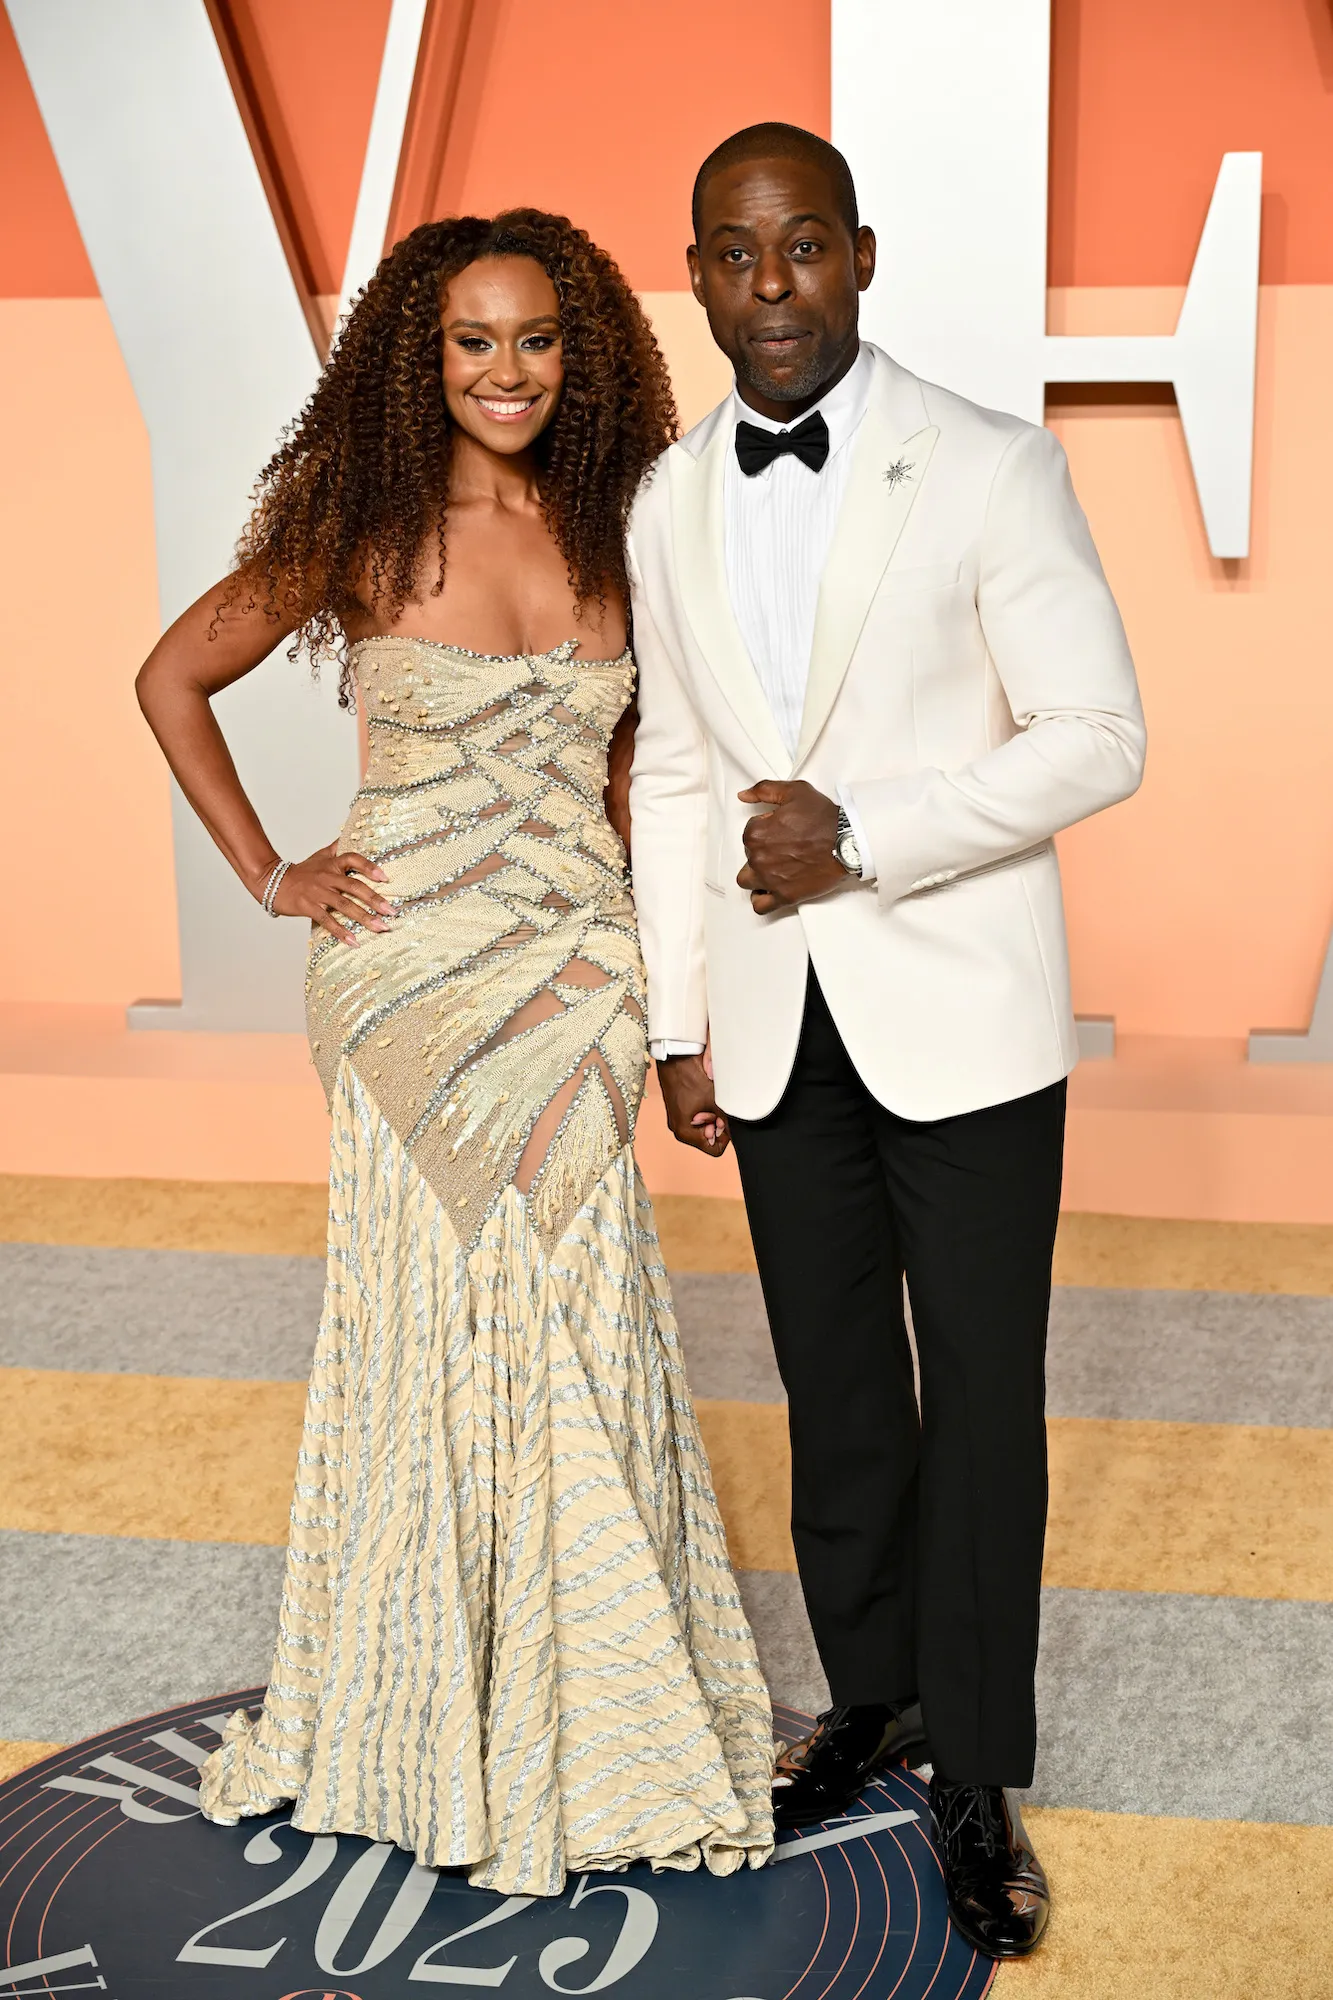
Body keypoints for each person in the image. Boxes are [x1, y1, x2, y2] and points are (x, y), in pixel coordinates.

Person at [135, 210, 774, 1897]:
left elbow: (640, 788)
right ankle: (432, 1719)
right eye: (472, 343)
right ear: (421, 362)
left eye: (539, 340)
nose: (507, 372)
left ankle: (595, 1720)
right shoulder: (361, 524)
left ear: (586, 354)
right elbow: (169, 677)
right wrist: (276, 872)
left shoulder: (620, 530)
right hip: (405, 981)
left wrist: (673, 1004)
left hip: (576, 975)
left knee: (582, 1321)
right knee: (434, 1331)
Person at [627, 125, 1145, 1958]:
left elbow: (1098, 731)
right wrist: (677, 1020)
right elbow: (677, 774)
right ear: (693, 271)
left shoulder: (995, 467)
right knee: (837, 1390)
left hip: (966, 1017)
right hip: (771, 1027)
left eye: (802, 251)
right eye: (732, 255)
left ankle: (978, 1768)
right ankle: (871, 1698)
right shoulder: (666, 498)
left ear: (859, 254)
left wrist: (866, 834)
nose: (770, 291)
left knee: (983, 1404)